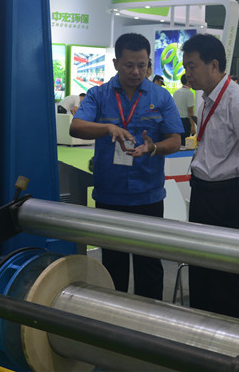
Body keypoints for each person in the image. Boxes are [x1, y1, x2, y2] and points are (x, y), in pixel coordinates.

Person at [71, 33, 182, 300]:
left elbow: (176, 140)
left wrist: (154, 147)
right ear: (116, 63)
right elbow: (76, 127)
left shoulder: (161, 96)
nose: (136, 72)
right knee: (113, 266)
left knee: (149, 266)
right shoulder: (99, 95)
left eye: (142, 65)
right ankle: (113, 317)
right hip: (110, 195)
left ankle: (148, 317)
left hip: (148, 196)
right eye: (129, 65)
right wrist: (107, 128)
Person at [182, 34, 239, 321]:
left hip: (230, 195)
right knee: (201, 267)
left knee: (231, 271)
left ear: (214, 64)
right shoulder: (205, 100)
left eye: (192, 66)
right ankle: (205, 331)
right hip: (203, 192)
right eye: (186, 66)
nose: (188, 73)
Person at [173, 74, 196, 146]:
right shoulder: (189, 93)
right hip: (185, 122)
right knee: (185, 144)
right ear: (188, 81)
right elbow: (190, 111)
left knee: (178, 143)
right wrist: (193, 125)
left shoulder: (176, 92)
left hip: (176, 120)